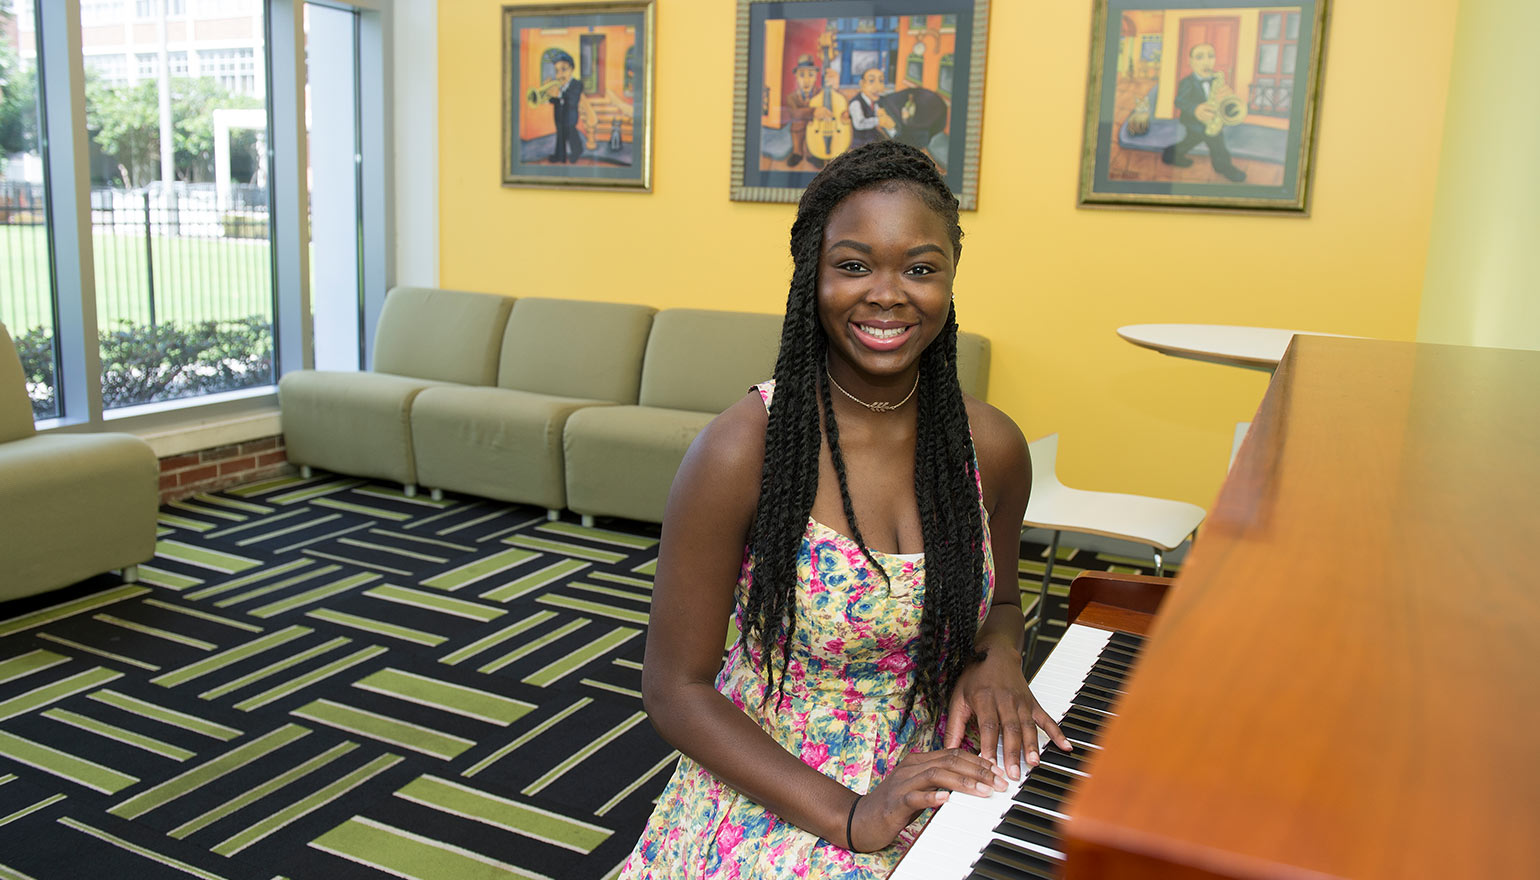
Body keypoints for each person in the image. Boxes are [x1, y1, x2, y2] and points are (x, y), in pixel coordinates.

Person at [618, 140, 1070, 879]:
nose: (888, 293)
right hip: (778, 783)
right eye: (854, 265)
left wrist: (999, 657)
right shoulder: (744, 450)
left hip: (933, 767)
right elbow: (674, 689)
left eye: (920, 268)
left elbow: (1006, 602)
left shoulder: (990, 445)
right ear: (812, 277)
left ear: (950, 280)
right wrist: (852, 815)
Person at [1161, 43, 1247, 182]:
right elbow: (1179, 101)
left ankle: (1223, 167)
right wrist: (1195, 108)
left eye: (1211, 56)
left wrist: (1226, 98)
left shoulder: (1216, 80)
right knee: (1190, 142)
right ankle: (1170, 154)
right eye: (1200, 57)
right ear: (1191, 62)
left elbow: (1220, 102)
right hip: (1195, 123)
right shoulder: (1187, 82)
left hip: (1213, 122)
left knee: (1218, 147)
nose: (1206, 61)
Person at [783, 54, 823, 169]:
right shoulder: (792, 97)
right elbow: (794, 113)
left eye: (810, 75)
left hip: (816, 126)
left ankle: (813, 153)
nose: (806, 80)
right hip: (799, 126)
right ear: (796, 77)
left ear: (816, 77)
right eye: (802, 75)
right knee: (797, 124)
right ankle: (798, 152)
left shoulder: (820, 94)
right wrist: (813, 111)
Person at [546, 50, 584, 164]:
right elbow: (555, 100)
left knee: (571, 135)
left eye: (563, 69)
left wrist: (557, 94)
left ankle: (577, 151)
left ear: (572, 69)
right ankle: (560, 156)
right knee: (560, 136)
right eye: (557, 71)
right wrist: (547, 95)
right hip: (558, 115)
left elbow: (572, 100)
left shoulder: (577, 84)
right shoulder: (558, 85)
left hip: (570, 116)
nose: (560, 74)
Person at [847, 65, 897, 150]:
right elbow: (859, 123)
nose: (877, 87)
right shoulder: (856, 102)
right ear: (862, 84)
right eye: (871, 81)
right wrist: (879, 120)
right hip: (860, 147)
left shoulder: (879, 101)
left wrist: (892, 128)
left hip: (875, 145)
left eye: (881, 81)